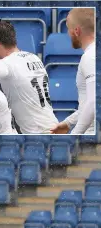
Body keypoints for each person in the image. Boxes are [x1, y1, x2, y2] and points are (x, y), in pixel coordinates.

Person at [50, 7, 95, 135]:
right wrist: (69, 123)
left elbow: (93, 102)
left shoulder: (90, 57)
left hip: (91, 141)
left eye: (68, 29)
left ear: (76, 31)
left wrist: (74, 136)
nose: (68, 34)